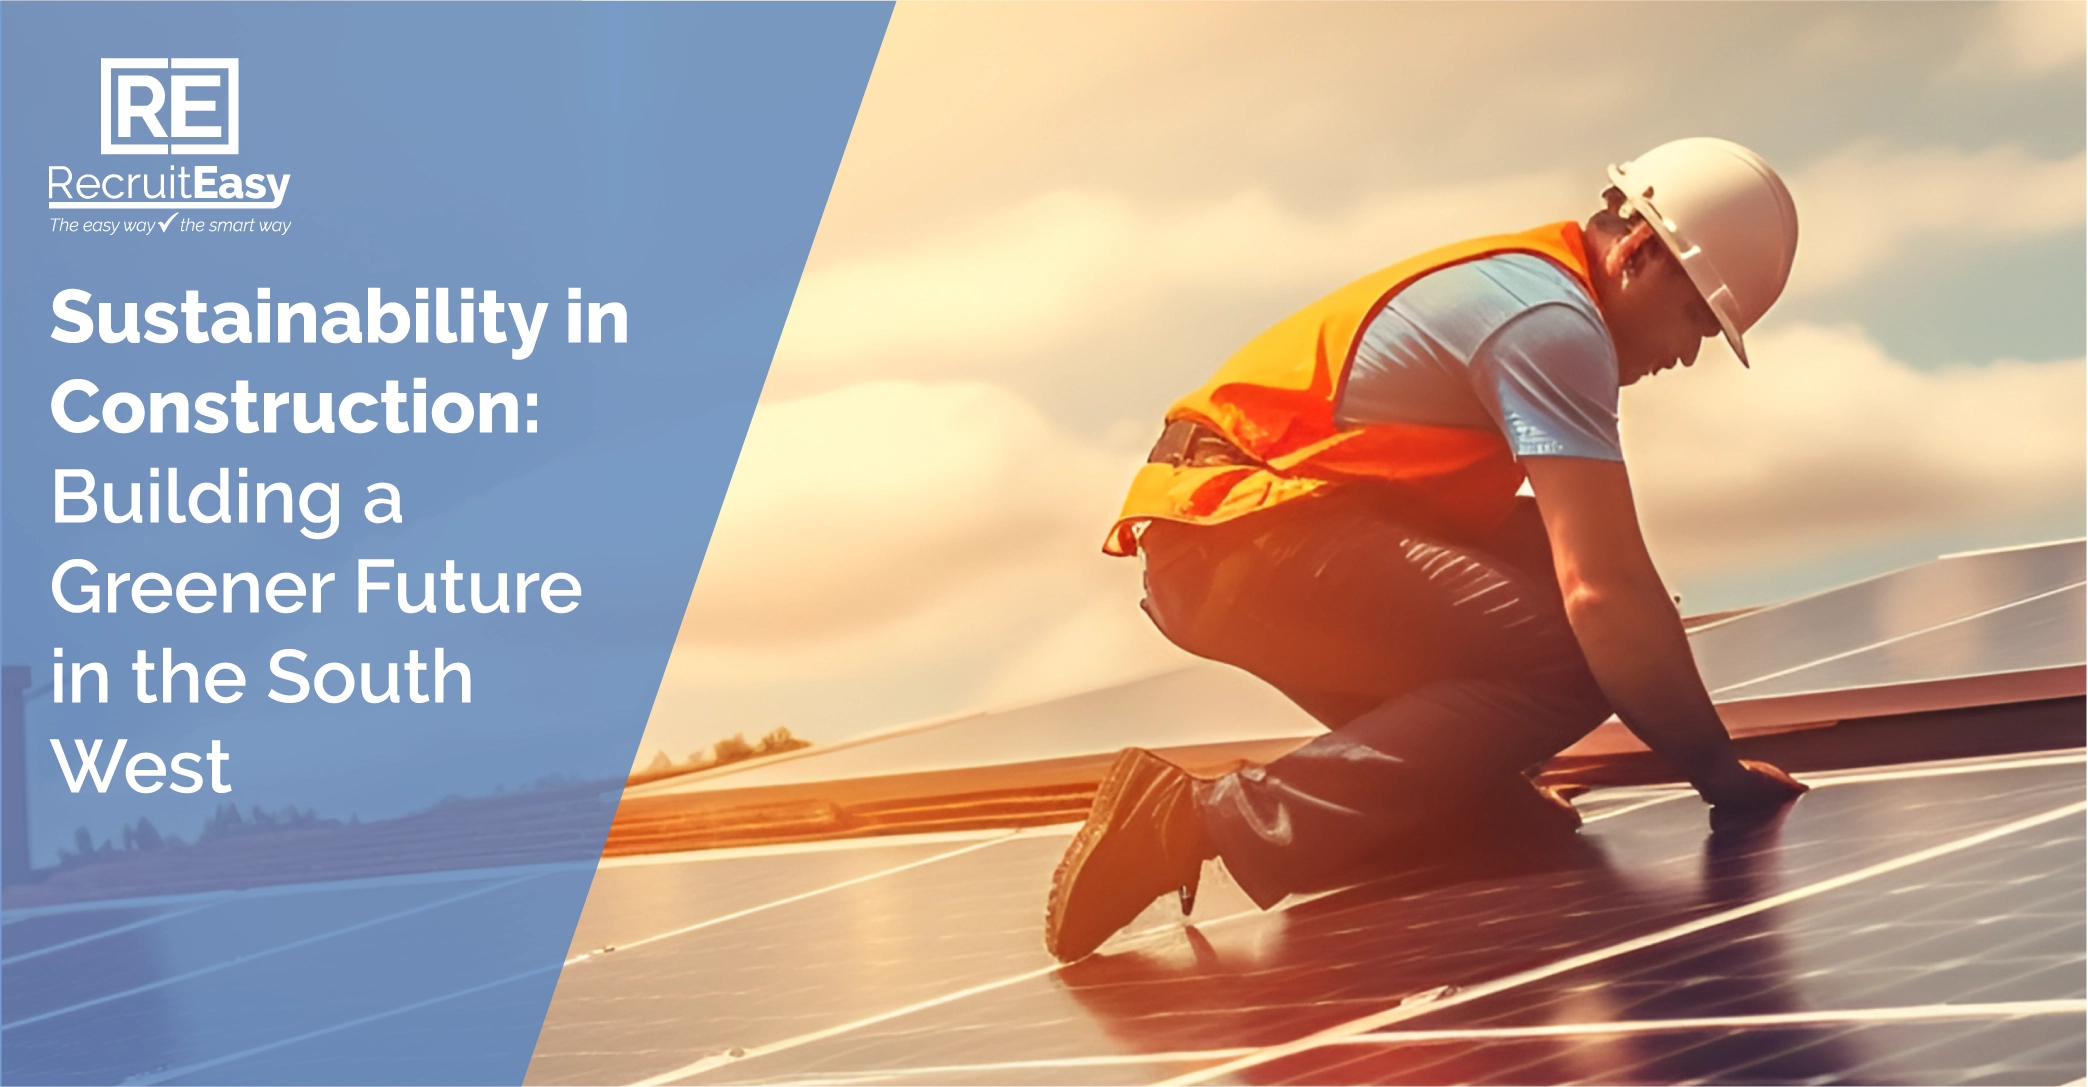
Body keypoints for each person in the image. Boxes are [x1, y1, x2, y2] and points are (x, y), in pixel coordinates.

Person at [1045, 138, 1812, 963]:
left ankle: (1455, 803)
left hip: (1237, 539)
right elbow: (1607, 595)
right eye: (1697, 314)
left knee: (1546, 596)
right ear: (1639, 251)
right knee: (1588, 643)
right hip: (1237, 536)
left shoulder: (1532, 283)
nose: (1689, 351)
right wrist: (1718, 775)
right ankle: (1195, 821)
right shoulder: (1552, 323)